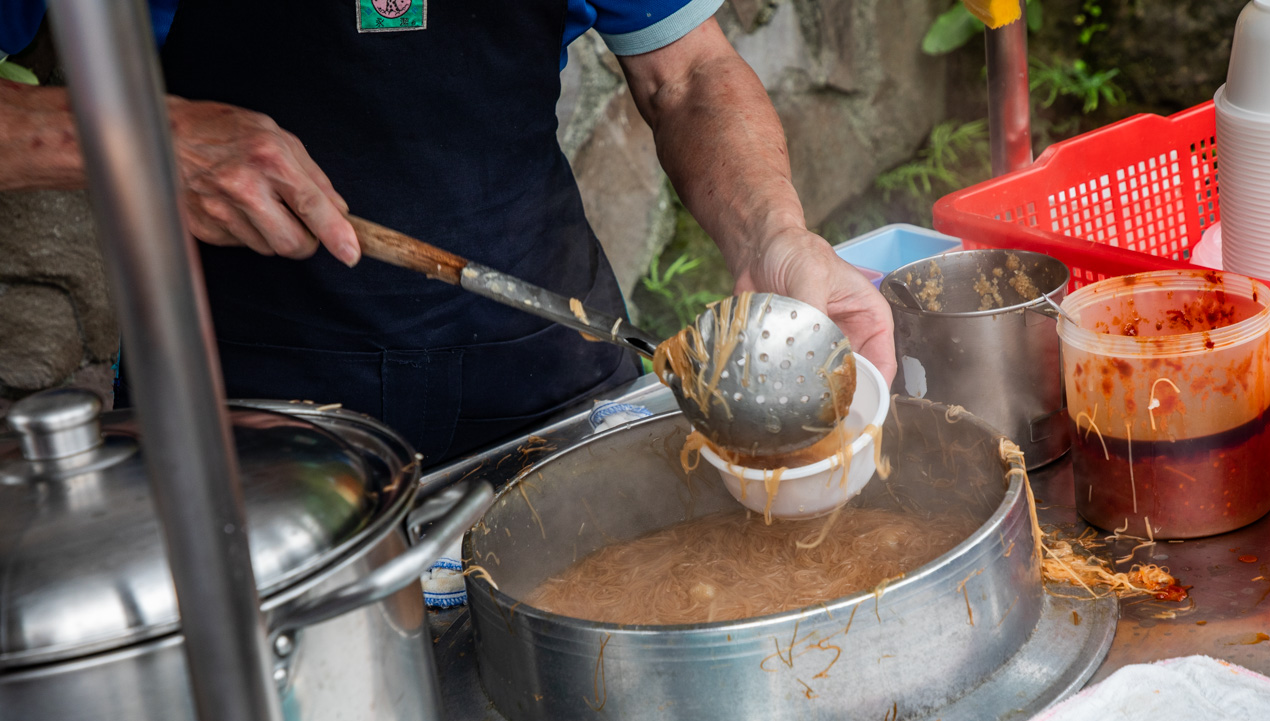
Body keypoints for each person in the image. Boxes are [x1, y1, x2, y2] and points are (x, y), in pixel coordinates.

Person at [0, 1, 894, 464]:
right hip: (247, 417)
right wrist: (126, 138)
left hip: (551, 373)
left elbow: (690, 73)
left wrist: (776, 233)